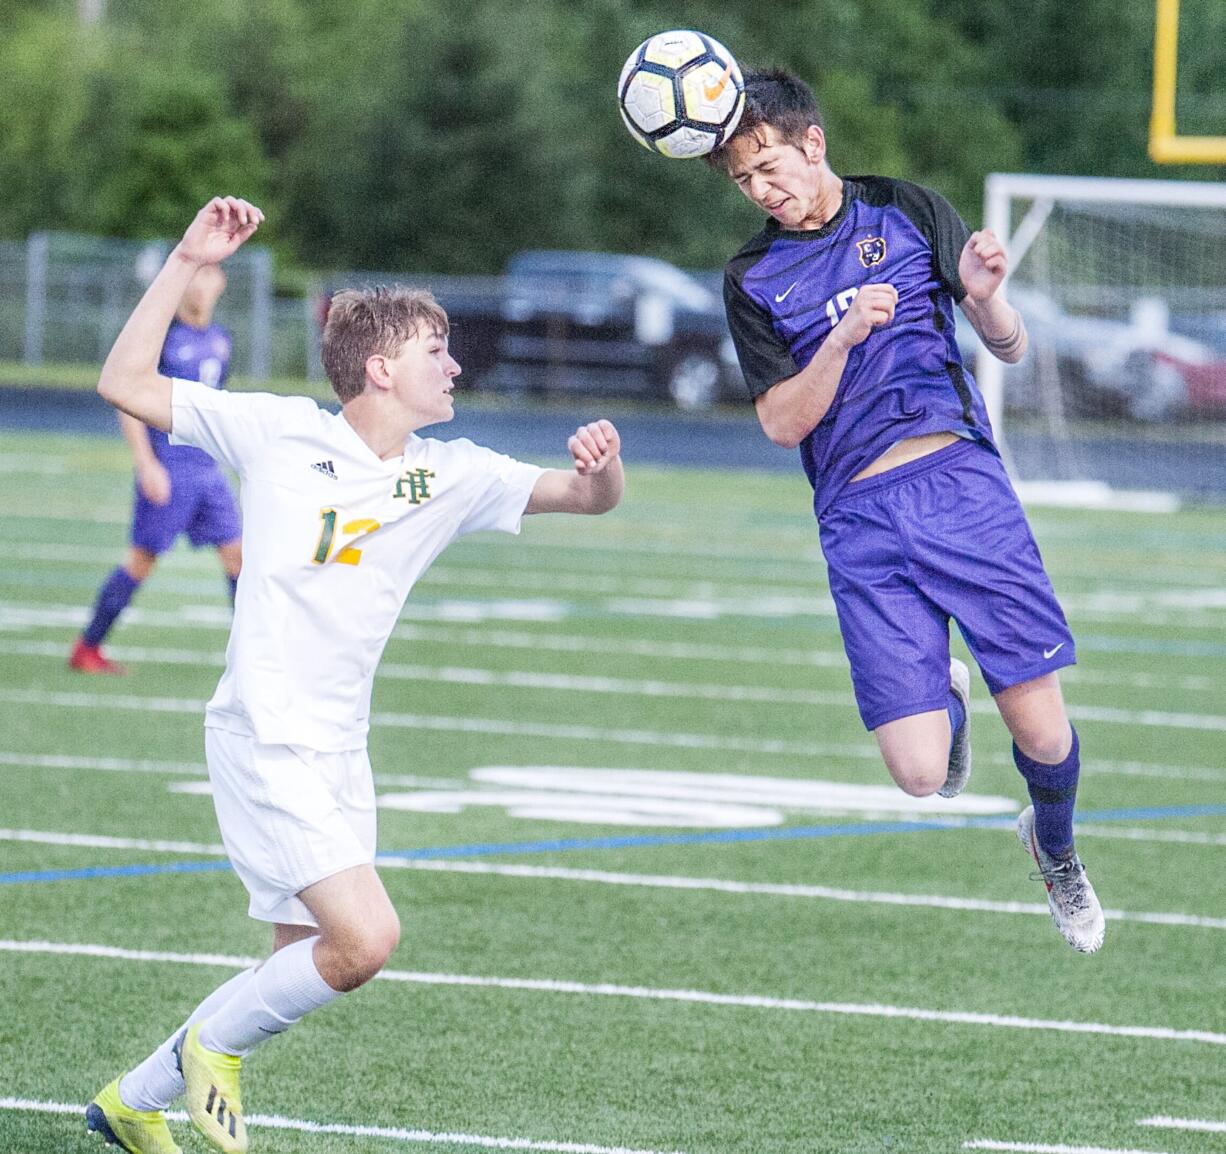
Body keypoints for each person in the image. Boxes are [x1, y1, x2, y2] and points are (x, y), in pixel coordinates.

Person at [85, 196, 624, 1154]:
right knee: (367, 941)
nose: (454, 363)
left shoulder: (447, 472)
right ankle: (210, 1049)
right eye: (434, 349)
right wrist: (183, 258)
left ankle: (131, 1099)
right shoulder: (279, 431)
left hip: (339, 750)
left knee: (302, 962)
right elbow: (123, 378)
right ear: (379, 368)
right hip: (264, 736)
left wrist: (605, 466)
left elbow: (585, 498)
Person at [708, 69, 1104, 954]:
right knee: (922, 775)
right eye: (744, 181)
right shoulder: (754, 277)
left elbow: (1008, 344)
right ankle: (945, 701)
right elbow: (780, 424)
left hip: (960, 484)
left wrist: (990, 295)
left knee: (1043, 725)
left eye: (769, 165)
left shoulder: (907, 210)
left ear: (812, 143)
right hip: (857, 514)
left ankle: (1055, 846)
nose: (762, 189)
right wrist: (843, 341)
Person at [69, 262, 242, 675]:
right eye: (192, 276)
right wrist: (147, 464)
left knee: (238, 557)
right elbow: (129, 402)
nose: (199, 286)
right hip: (169, 467)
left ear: (219, 284)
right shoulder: (162, 337)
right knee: (141, 561)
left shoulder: (221, 340)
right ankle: (87, 647)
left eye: (207, 276)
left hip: (206, 471)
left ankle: (254, 657)